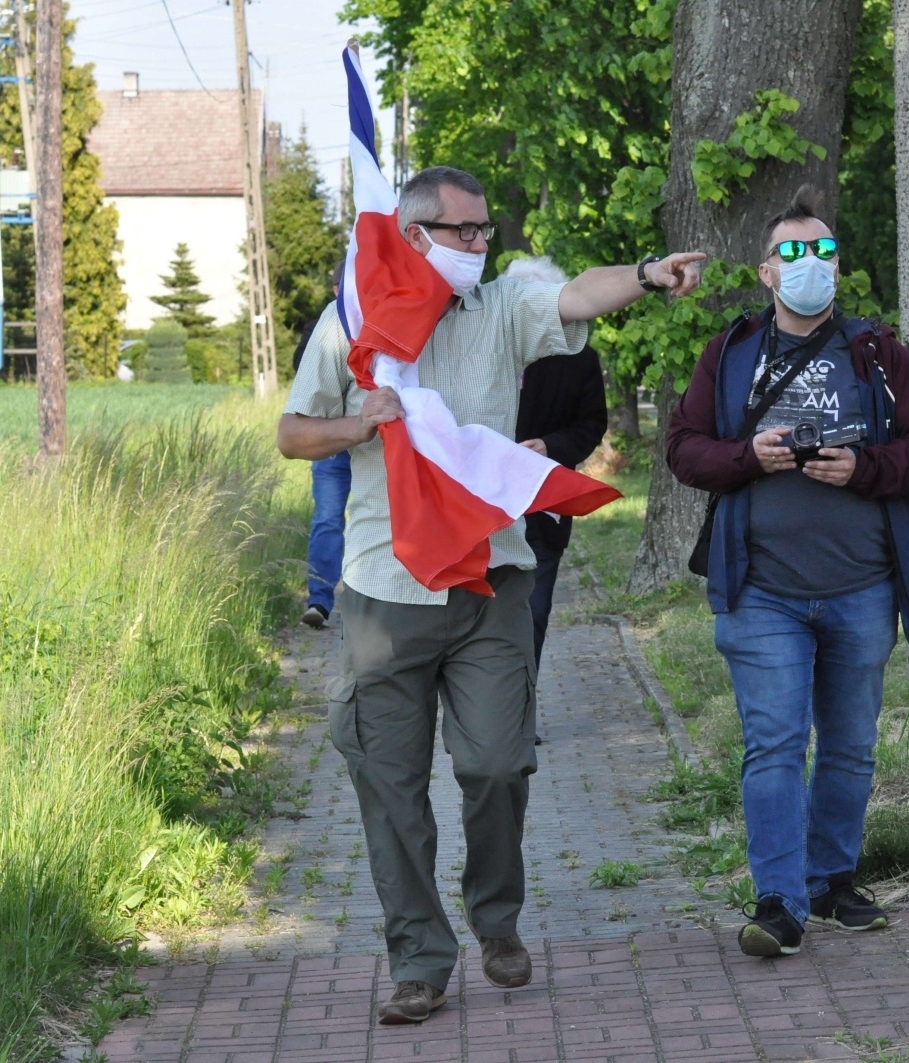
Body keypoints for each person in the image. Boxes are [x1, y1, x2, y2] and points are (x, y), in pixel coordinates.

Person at [276, 165, 703, 1025]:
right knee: (390, 786)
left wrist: (650, 273)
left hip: (493, 577)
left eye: (484, 232)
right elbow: (293, 432)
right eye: (464, 231)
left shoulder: (502, 306)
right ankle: (420, 960)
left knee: (497, 762)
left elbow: (577, 297)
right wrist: (363, 422)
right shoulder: (351, 321)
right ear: (416, 233)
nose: (480, 244)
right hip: (383, 589)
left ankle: (496, 917)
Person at [667, 185, 909, 959]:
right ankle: (779, 902)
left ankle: (831, 881)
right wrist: (743, 457)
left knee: (852, 744)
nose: (809, 263)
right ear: (766, 272)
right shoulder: (729, 355)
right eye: (792, 251)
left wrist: (863, 466)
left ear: (837, 264)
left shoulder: (878, 354)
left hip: (863, 588)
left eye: (822, 249)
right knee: (775, 744)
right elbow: (684, 448)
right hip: (761, 591)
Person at [507, 256, 610, 666]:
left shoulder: (578, 357)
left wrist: (550, 446)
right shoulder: (485, 348)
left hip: (542, 503)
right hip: (480, 503)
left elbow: (590, 424)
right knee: (483, 619)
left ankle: (519, 715)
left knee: (533, 613)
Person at [296, 268, 350, 630]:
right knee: (328, 520)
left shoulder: (390, 322)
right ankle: (319, 600)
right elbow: (301, 369)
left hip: (377, 446)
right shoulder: (319, 328)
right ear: (334, 289)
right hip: (332, 446)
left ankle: (376, 600)